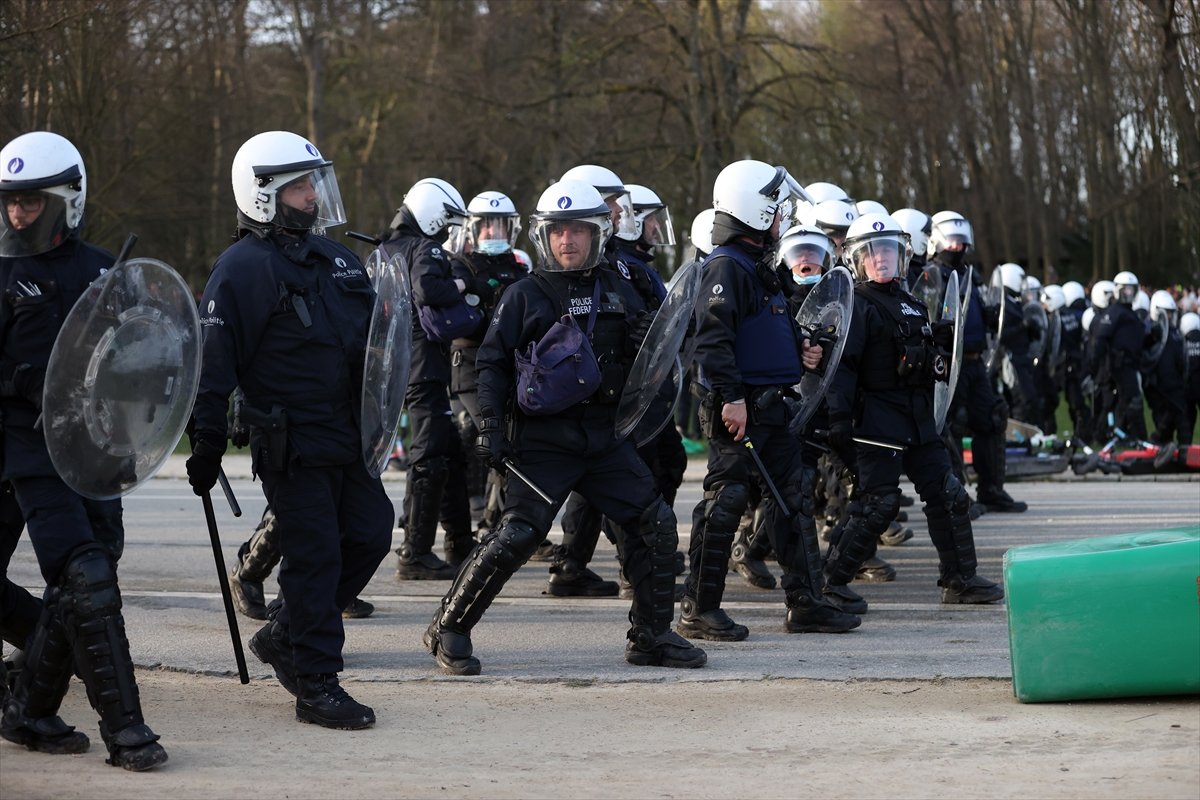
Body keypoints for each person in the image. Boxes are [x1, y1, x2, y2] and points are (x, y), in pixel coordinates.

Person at [423, 179, 706, 674]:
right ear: (543, 236)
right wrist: (490, 425)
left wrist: (650, 342)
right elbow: (490, 364)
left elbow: (659, 359)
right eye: (557, 232)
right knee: (518, 535)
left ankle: (651, 637)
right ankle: (448, 626)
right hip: (542, 442)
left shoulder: (622, 288)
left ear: (598, 233)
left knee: (656, 525)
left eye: (576, 231)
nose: (566, 241)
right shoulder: (523, 294)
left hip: (603, 438)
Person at [187, 130, 392, 730]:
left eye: (313, 183)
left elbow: (375, 342)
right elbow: (213, 363)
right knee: (315, 556)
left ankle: (284, 635)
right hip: (291, 441)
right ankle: (316, 683)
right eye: (301, 186)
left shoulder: (337, 258)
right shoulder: (241, 269)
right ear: (263, 195)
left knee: (373, 532)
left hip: (348, 434)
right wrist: (206, 440)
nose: (313, 196)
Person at [0, 131, 167, 768]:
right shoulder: (2, 270)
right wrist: (21, 382)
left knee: (87, 584)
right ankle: (126, 731)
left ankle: (29, 711)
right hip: (30, 451)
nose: (18, 213)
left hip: (101, 449)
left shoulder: (107, 269)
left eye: (32, 202)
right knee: (84, 576)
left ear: (68, 198)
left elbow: (145, 354)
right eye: (11, 201)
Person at [683, 159, 859, 640]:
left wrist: (799, 348)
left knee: (793, 502)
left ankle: (806, 603)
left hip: (773, 408)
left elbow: (763, 330)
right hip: (738, 411)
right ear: (755, 210)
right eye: (775, 207)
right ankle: (698, 607)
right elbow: (713, 341)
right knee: (726, 502)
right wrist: (732, 399)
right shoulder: (727, 266)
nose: (782, 214)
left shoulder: (758, 267)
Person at [822, 213, 1005, 614]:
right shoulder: (857, 305)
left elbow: (928, 360)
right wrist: (838, 418)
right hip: (878, 422)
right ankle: (828, 584)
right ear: (857, 260)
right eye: (871, 253)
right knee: (878, 504)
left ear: (901, 254)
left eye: (887, 250)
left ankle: (959, 578)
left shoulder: (911, 303)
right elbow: (843, 367)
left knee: (949, 495)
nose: (881, 259)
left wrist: (934, 345)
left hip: (918, 419)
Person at [380, 178, 475, 579]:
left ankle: (459, 544)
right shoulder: (426, 247)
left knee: (449, 451)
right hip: (425, 365)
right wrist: (460, 284)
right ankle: (415, 552)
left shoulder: (387, 248)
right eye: (448, 222)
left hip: (398, 364)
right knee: (431, 454)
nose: (450, 231)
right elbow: (428, 289)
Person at [928, 211, 1026, 513]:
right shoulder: (932, 276)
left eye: (962, 242)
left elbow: (979, 313)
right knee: (950, 428)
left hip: (974, 361)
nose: (958, 248)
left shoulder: (972, 275)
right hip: (948, 364)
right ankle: (955, 497)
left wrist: (990, 312)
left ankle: (991, 489)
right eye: (953, 241)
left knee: (993, 417)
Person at [448, 191, 528, 546]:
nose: (493, 231)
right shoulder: (459, 268)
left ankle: (500, 521)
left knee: (513, 445)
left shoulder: (521, 268)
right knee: (495, 442)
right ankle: (495, 524)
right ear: (472, 229)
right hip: (471, 369)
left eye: (499, 224)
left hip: (512, 368)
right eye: (485, 225)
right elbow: (459, 322)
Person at [1088, 271, 1148, 440]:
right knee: (1131, 401)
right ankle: (1139, 438)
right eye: (1125, 290)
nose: (1128, 294)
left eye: (1131, 290)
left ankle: (1116, 434)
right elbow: (1101, 339)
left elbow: (1137, 339)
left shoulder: (1130, 314)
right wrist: (1094, 366)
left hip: (1130, 364)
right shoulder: (1114, 313)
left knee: (1122, 403)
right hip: (1120, 365)